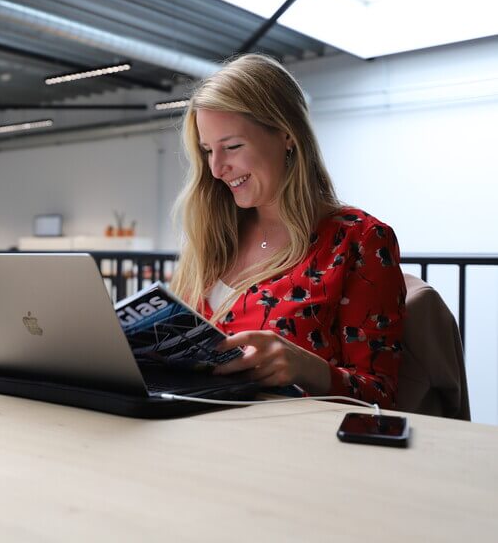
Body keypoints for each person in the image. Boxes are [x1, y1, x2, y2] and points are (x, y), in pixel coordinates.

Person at [170, 54, 405, 407]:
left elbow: (381, 398)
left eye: (232, 146)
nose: (217, 169)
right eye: (207, 151)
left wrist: (308, 369)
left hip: (292, 447)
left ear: (286, 136)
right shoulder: (214, 234)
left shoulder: (360, 241)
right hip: (194, 433)